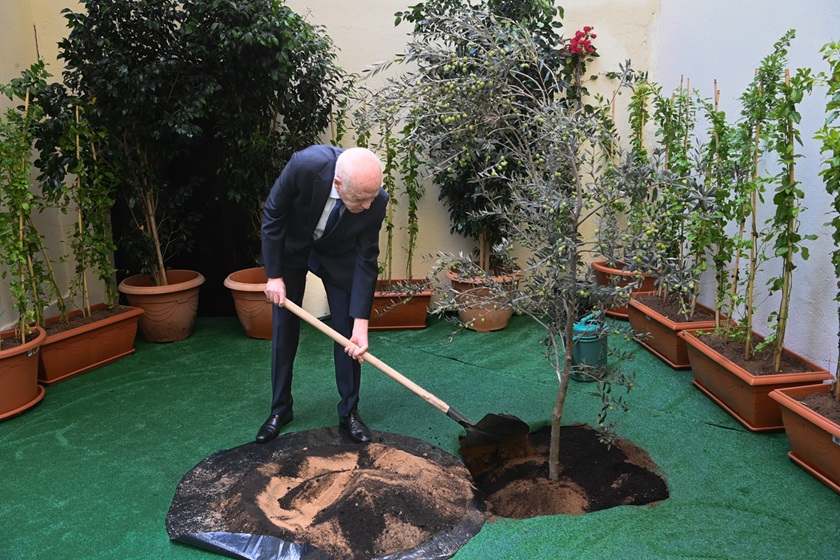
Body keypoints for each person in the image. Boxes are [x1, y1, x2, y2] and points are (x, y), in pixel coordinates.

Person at [257, 145, 388, 444]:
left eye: (371, 198)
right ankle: (280, 409)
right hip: (293, 248)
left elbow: (366, 259)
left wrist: (361, 325)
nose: (367, 207)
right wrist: (274, 276)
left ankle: (349, 412)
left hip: (337, 255)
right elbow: (273, 215)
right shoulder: (305, 165)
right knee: (284, 325)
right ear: (338, 184)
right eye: (359, 199)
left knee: (347, 334)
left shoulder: (374, 199)